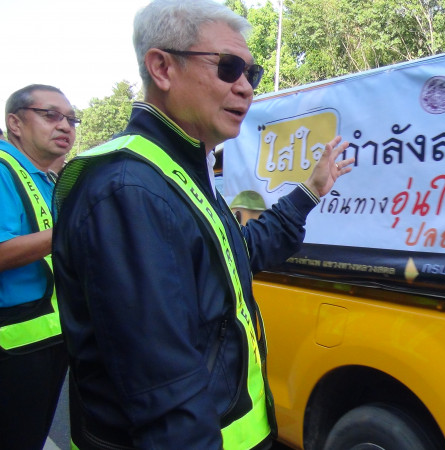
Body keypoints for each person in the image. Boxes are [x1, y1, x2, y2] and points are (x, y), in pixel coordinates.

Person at [52, 0, 354, 448]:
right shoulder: (128, 188)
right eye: (228, 67)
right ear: (162, 67)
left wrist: (308, 192)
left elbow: (239, 256)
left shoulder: (181, 170)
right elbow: (165, 392)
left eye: (250, 74)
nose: (245, 88)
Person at [0, 84, 77, 450]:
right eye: (51, 115)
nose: (65, 126)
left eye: (71, 119)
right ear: (15, 123)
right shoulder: (2, 168)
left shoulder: (46, 178)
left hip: (46, 339)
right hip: (11, 347)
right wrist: (76, 227)